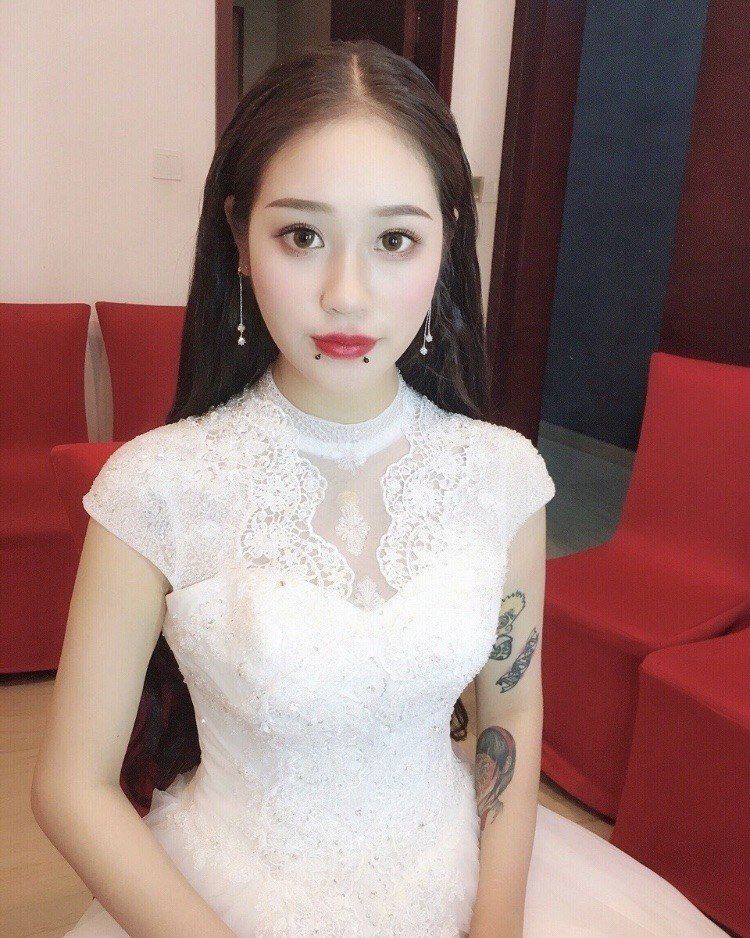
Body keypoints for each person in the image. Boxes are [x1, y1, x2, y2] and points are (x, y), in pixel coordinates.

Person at [31, 39, 726, 938]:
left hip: (458, 876)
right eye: (302, 236)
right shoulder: (157, 486)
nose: (347, 295)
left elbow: (510, 708)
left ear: (446, 241)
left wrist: (498, 923)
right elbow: (72, 785)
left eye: (395, 239)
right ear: (239, 239)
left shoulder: (500, 475)